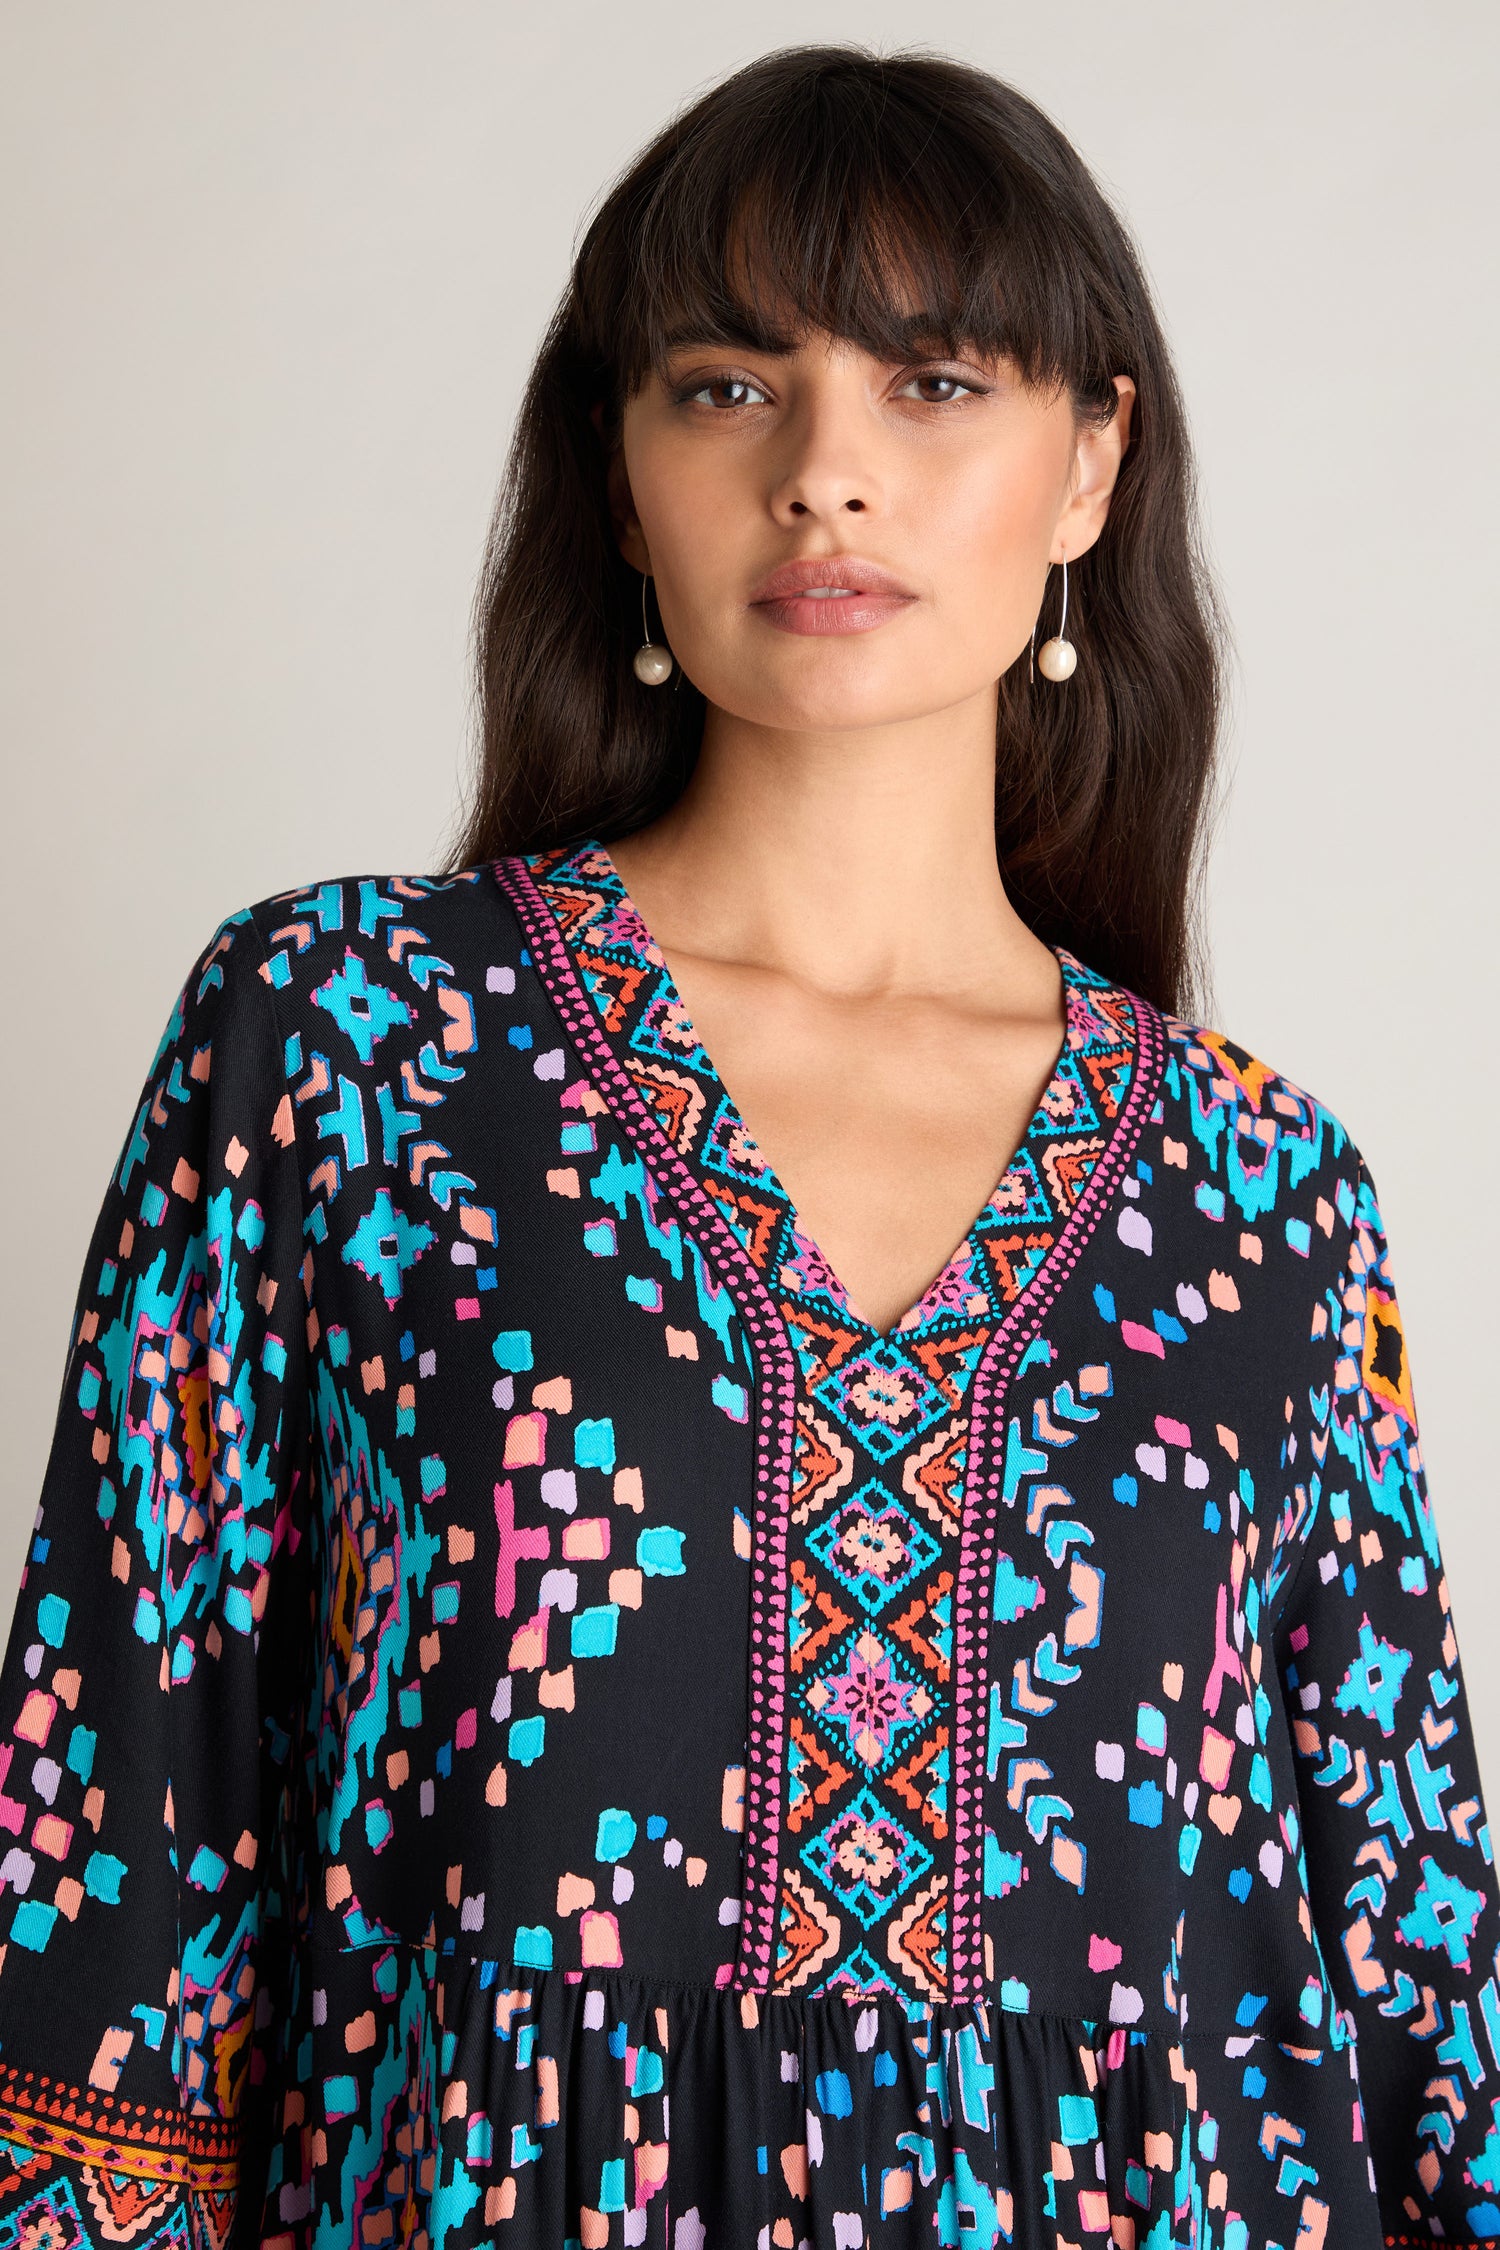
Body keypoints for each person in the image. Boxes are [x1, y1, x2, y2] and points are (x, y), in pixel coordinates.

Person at [0, 40, 1491, 2250]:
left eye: (935, 384)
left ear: (1091, 464)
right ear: (618, 480)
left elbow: (1412, 1994)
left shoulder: (1266, 1193)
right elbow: (118, 1870)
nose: (825, 476)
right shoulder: (342, 1045)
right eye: (725, 386)